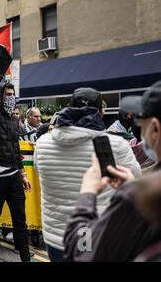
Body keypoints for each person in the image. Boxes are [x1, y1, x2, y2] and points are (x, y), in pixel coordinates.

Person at [34, 87, 142, 262]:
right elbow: (134, 183)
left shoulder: (42, 143)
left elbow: (41, 172)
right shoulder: (116, 145)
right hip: (98, 237)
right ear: (100, 113)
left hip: (57, 238)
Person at [0, 80, 31, 262]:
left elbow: (15, 148)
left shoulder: (14, 120)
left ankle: (26, 258)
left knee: (20, 221)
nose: (11, 98)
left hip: (13, 176)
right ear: (0, 97)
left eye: (12, 94)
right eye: (7, 95)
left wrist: (23, 173)